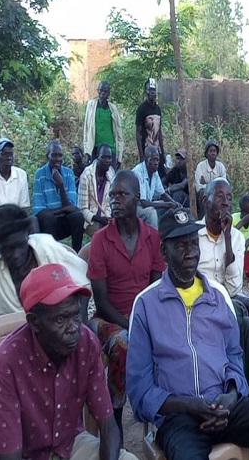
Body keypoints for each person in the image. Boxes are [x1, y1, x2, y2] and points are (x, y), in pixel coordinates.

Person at [127, 208, 249, 460]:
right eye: (180, 246)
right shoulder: (146, 305)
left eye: (193, 243)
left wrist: (231, 396)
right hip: (179, 420)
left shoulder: (218, 296)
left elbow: (234, 358)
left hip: (225, 410)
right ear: (163, 252)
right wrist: (189, 406)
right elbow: (139, 391)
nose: (190, 252)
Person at [0, 263, 136, 460]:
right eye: (61, 319)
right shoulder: (6, 363)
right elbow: (9, 456)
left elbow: (108, 426)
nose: (73, 328)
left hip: (70, 444)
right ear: (34, 323)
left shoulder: (86, 343)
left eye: (76, 315)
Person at [87, 170, 167, 442]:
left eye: (122, 195)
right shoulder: (100, 240)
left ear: (138, 198)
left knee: (173, 337)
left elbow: (156, 289)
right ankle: (116, 416)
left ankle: (162, 410)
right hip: (108, 320)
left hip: (143, 315)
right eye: (112, 195)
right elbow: (101, 301)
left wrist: (145, 323)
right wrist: (132, 324)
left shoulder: (152, 237)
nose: (115, 200)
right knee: (125, 344)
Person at [197, 179, 249, 397]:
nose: (225, 203)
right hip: (200, 303)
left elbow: (234, 286)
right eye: (219, 197)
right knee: (245, 324)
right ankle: (242, 394)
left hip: (227, 302)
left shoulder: (235, 237)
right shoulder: (193, 236)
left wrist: (226, 238)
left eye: (228, 198)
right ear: (205, 201)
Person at [0, 204, 90, 316]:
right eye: (8, 249)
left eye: (20, 245)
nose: (16, 254)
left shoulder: (46, 248)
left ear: (28, 234)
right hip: (11, 330)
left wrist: (80, 321)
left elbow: (85, 281)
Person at [32, 140, 86, 252]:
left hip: (63, 220)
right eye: (54, 155)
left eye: (60, 155)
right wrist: (64, 209)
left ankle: (77, 253)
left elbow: (72, 206)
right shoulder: (40, 174)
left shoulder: (68, 173)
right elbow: (39, 210)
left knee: (78, 217)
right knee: (49, 218)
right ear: (48, 156)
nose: (57, 159)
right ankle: (51, 255)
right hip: (47, 223)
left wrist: (61, 185)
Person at [132, 145, 179, 227]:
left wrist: (174, 203)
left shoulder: (154, 172)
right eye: (152, 160)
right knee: (151, 213)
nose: (156, 162)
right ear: (146, 160)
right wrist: (168, 204)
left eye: (157, 160)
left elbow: (162, 194)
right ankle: (154, 238)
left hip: (146, 204)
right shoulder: (138, 172)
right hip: (134, 207)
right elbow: (144, 203)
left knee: (172, 208)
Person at [84, 80, 124, 167]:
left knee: (111, 178)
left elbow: (119, 133)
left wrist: (119, 156)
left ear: (108, 92)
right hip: (95, 150)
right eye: (101, 90)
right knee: (93, 178)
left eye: (105, 91)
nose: (103, 93)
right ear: (98, 91)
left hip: (110, 150)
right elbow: (86, 130)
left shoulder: (113, 109)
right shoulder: (91, 106)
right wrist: (87, 151)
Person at [78, 144, 115, 237]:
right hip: (89, 221)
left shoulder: (111, 174)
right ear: (97, 157)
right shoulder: (86, 175)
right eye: (103, 157)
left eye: (109, 158)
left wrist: (107, 217)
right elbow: (82, 209)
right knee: (103, 237)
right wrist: (98, 219)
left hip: (104, 219)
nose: (107, 161)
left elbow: (108, 204)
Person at [135, 78, 165, 174]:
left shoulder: (158, 109)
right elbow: (138, 133)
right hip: (146, 151)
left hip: (157, 151)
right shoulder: (141, 109)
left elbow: (159, 131)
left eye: (153, 90)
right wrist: (141, 155)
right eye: (149, 90)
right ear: (146, 92)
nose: (152, 92)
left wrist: (163, 152)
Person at [194, 140, 228, 211]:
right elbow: (199, 187)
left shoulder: (221, 167)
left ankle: (223, 215)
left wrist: (207, 183)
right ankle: (204, 217)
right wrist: (215, 186)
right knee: (203, 192)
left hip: (218, 194)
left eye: (214, 151)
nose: (213, 153)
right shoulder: (200, 166)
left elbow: (224, 185)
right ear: (206, 154)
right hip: (205, 195)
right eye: (210, 151)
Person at [0, 137, 30, 208]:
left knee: (33, 219)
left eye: (11, 154)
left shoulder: (21, 175)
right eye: (5, 154)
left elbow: (23, 207)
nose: (9, 158)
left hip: (15, 217)